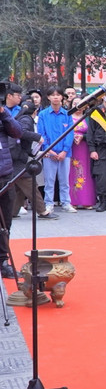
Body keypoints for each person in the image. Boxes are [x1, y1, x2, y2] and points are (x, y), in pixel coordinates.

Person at [10, 99, 57, 222]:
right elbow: (22, 133)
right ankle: (42, 211)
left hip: (16, 156)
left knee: (19, 187)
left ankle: (12, 212)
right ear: (35, 111)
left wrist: (35, 153)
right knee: (30, 185)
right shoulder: (26, 119)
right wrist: (38, 137)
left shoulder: (19, 118)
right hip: (18, 158)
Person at [37, 86, 76, 213]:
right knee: (49, 180)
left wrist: (65, 150)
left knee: (65, 180)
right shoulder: (43, 114)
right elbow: (41, 134)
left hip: (65, 153)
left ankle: (66, 202)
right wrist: (49, 150)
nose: (55, 97)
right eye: (52, 95)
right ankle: (49, 203)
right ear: (48, 97)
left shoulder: (67, 114)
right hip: (49, 153)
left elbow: (70, 133)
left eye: (58, 95)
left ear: (62, 97)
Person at [0, 87, 24, 278]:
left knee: (5, 222)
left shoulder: (3, 113)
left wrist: (4, 115)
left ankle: (3, 261)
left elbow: (17, 132)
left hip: (4, 174)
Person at [69, 104, 97, 209]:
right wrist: (72, 136)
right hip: (71, 147)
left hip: (84, 147)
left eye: (81, 104)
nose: (78, 106)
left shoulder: (88, 118)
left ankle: (87, 200)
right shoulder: (68, 117)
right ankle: (73, 201)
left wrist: (83, 136)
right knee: (72, 172)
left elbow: (92, 133)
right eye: (75, 104)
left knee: (85, 172)